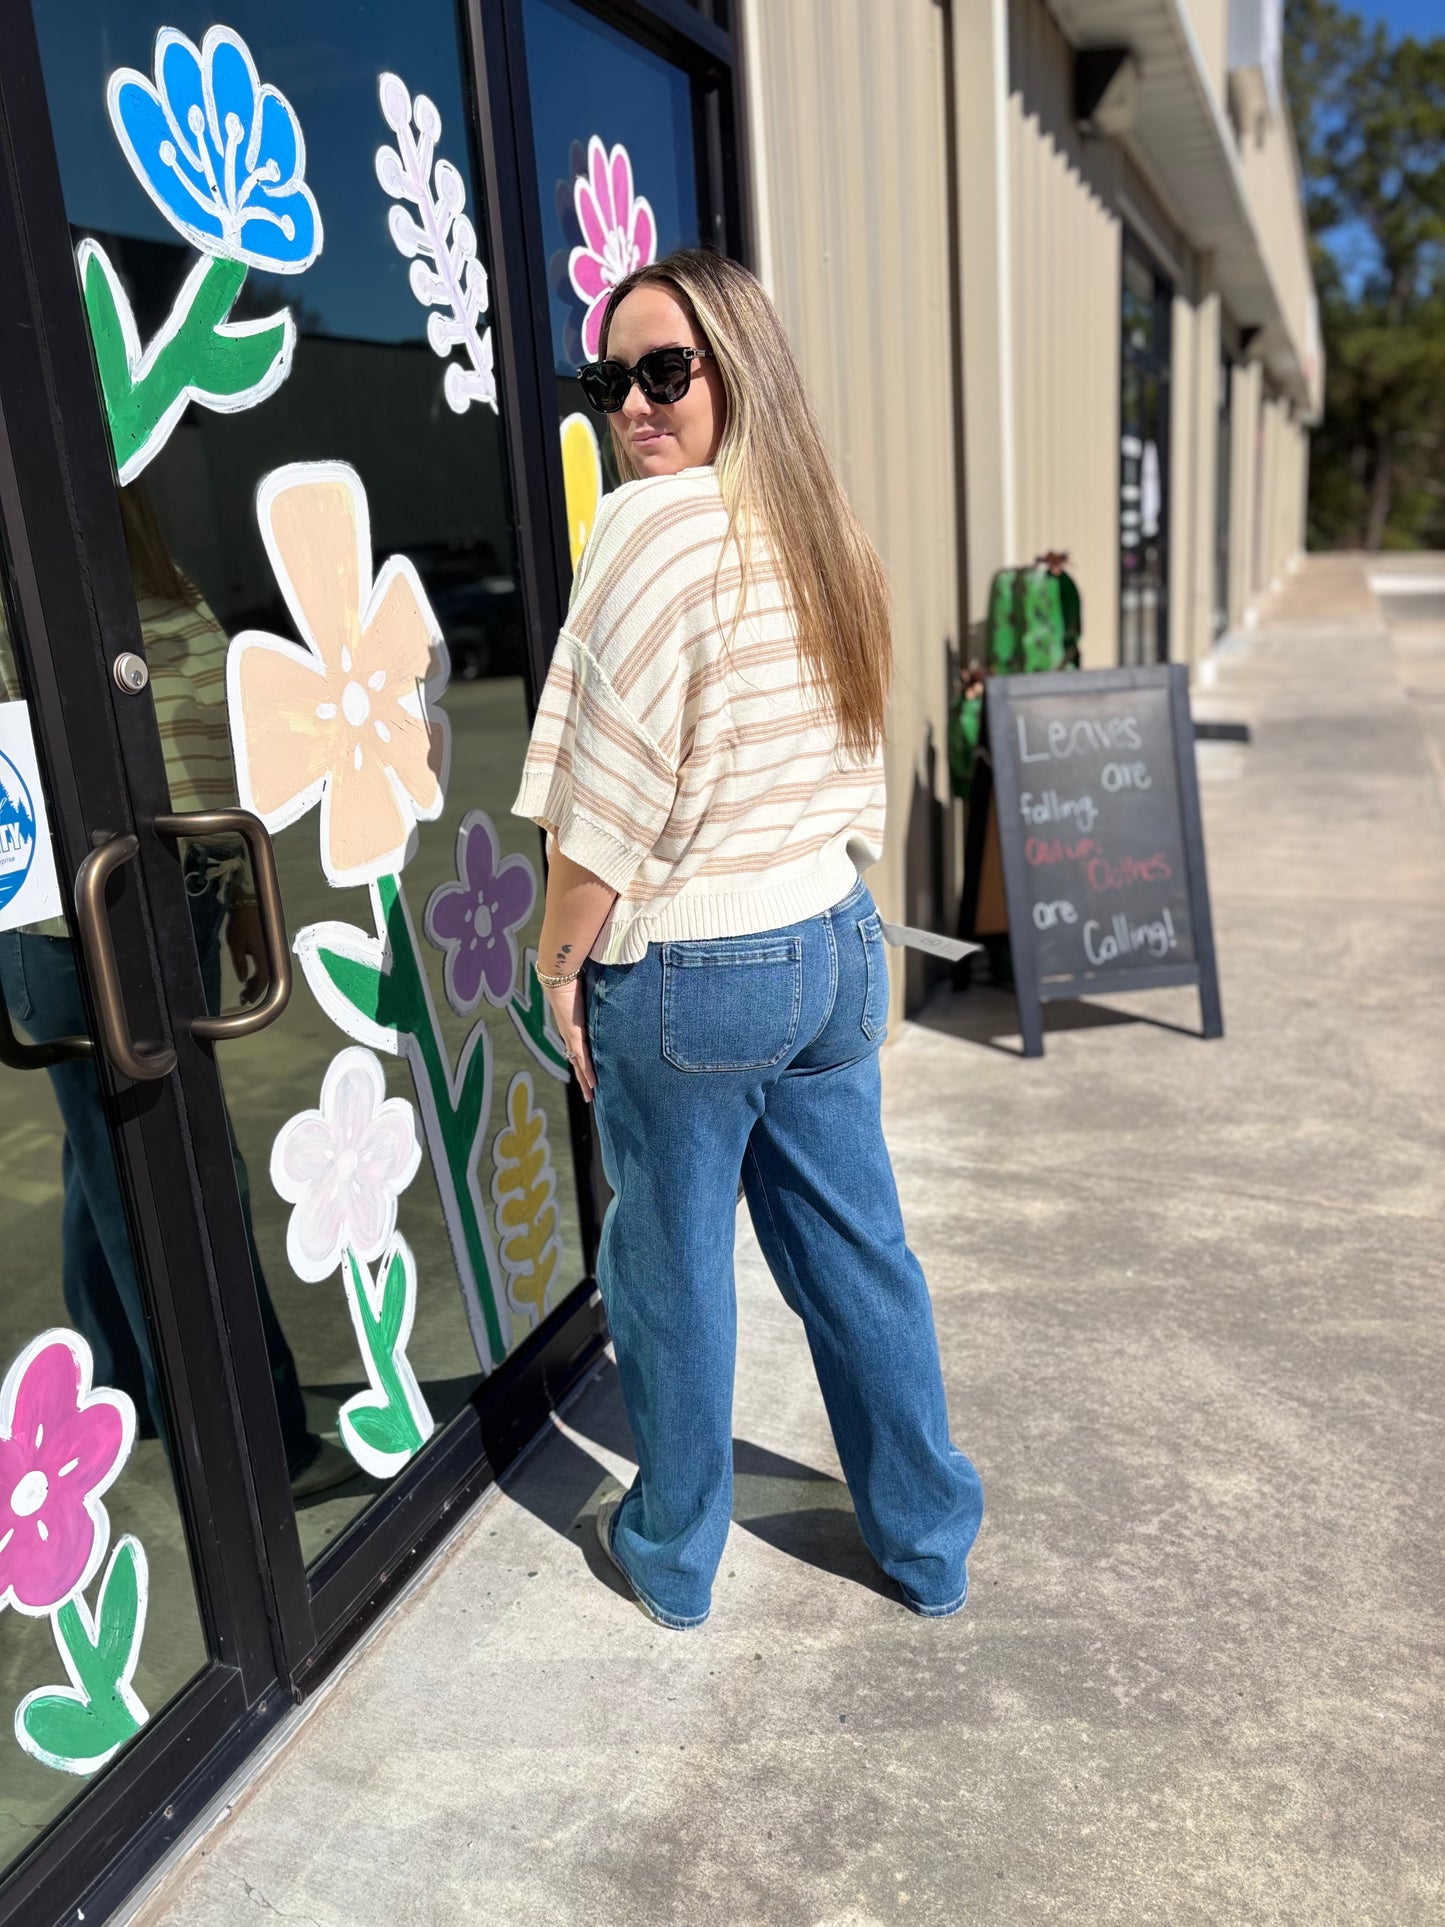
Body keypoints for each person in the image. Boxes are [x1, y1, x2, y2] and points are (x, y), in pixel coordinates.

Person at [510, 249, 983, 1630]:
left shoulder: (650, 530)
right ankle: (926, 1536)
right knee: (857, 1253)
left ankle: (671, 1549)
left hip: (697, 962)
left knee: (668, 1272)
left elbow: (604, 801)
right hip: (833, 940)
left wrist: (556, 966)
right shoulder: (823, 527)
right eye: (611, 382)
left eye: (667, 371)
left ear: (736, 370)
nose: (636, 408)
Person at [0, 486, 351, 1499]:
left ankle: (130, 1390)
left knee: (104, 1165)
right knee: (181, 1183)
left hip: (179, 904)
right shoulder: (21, 605)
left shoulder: (163, 588)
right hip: (85, 932)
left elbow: (215, 757)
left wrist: (239, 895)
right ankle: (255, 1452)